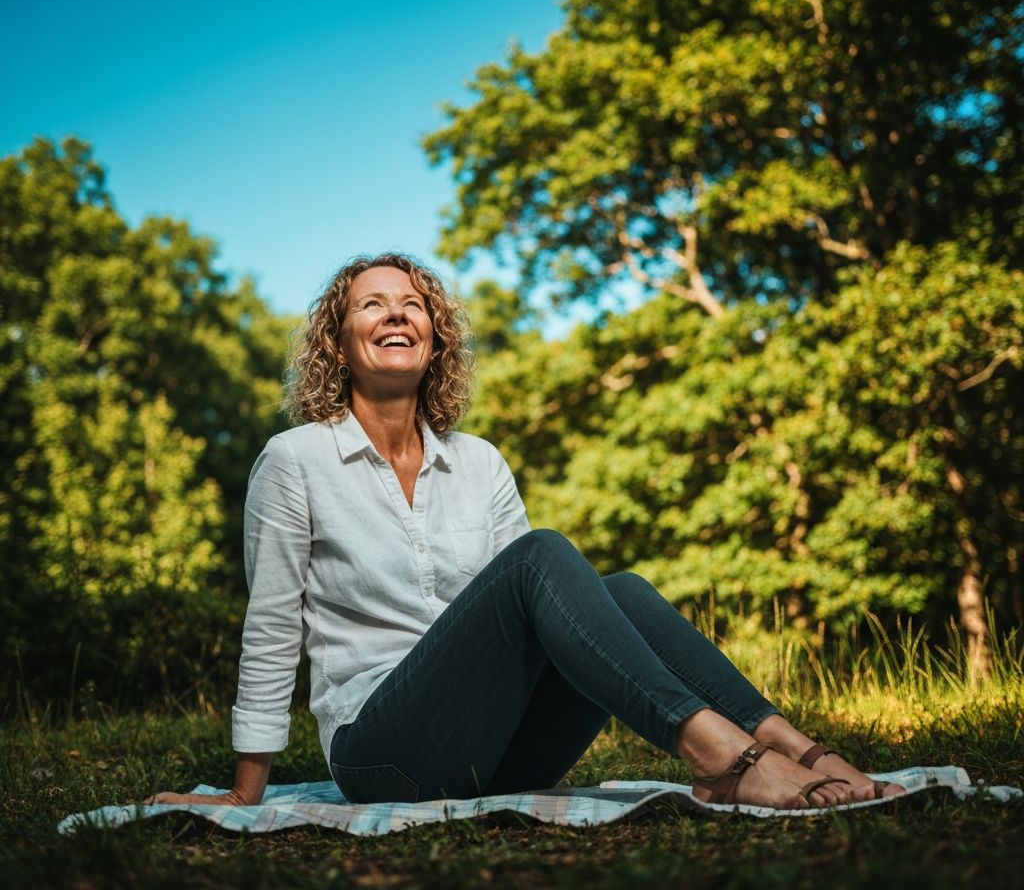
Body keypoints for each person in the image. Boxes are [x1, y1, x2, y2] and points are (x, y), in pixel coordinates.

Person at [149, 253, 904, 811]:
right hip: (385, 758)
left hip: (503, 756)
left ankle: (801, 750)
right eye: (370, 304)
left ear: (436, 339)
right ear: (337, 343)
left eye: (413, 303)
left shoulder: (479, 463)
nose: (395, 313)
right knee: (540, 554)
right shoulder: (295, 461)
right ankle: (721, 758)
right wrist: (246, 794)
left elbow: (545, 616)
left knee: (624, 593)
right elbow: (274, 625)